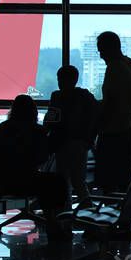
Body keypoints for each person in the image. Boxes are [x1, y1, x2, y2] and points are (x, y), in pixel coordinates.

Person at [0, 95, 68, 243]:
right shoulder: (35, 131)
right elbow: (40, 158)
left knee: (48, 183)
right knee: (55, 182)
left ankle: (52, 222)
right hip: (20, 181)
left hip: (1, 180)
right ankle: (53, 221)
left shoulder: (4, 127)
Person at [94, 31, 131, 194]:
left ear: (108, 48)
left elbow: (110, 103)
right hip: (130, 130)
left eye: (101, 50)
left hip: (113, 132)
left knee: (108, 180)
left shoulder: (114, 68)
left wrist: (97, 123)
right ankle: (122, 212)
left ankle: (108, 213)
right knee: (125, 177)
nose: (100, 55)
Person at [45, 66, 99, 207]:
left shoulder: (57, 97)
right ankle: (88, 209)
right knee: (78, 180)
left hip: (62, 143)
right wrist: (89, 140)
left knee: (63, 180)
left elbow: (50, 121)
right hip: (80, 143)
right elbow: (96, 118)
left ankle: (66, 210)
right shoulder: (85, 97)